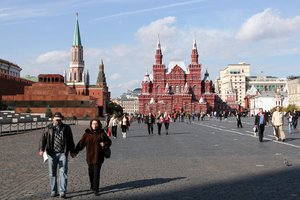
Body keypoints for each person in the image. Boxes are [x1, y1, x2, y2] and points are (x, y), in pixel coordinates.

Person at [39, 112, 75, 198]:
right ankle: (53, 190)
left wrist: (72, 151)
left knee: (63, 173)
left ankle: (62, 191)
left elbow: (70, 140)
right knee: (52, 173)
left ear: (61, 119)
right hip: (51, 153)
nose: (58, 121)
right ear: (53, 119)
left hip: (63, 153)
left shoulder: (66, 128)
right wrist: (41, 149)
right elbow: (43, 138)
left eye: (59, 119)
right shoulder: (48, 128)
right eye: (56, 120)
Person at [74, 119, 111, 196]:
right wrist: (75, 151)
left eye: (96, 124)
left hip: (98, 157)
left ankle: (96, 189)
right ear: (91, 125)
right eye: (93, 124)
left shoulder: (102, 133)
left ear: (98, 124)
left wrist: (104, 143)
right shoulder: (87, 134)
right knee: (91, 172)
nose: (94, 125)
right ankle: (92, 185)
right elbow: (81, 144)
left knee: (96, 173)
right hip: (90, 157)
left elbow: (109, 141)